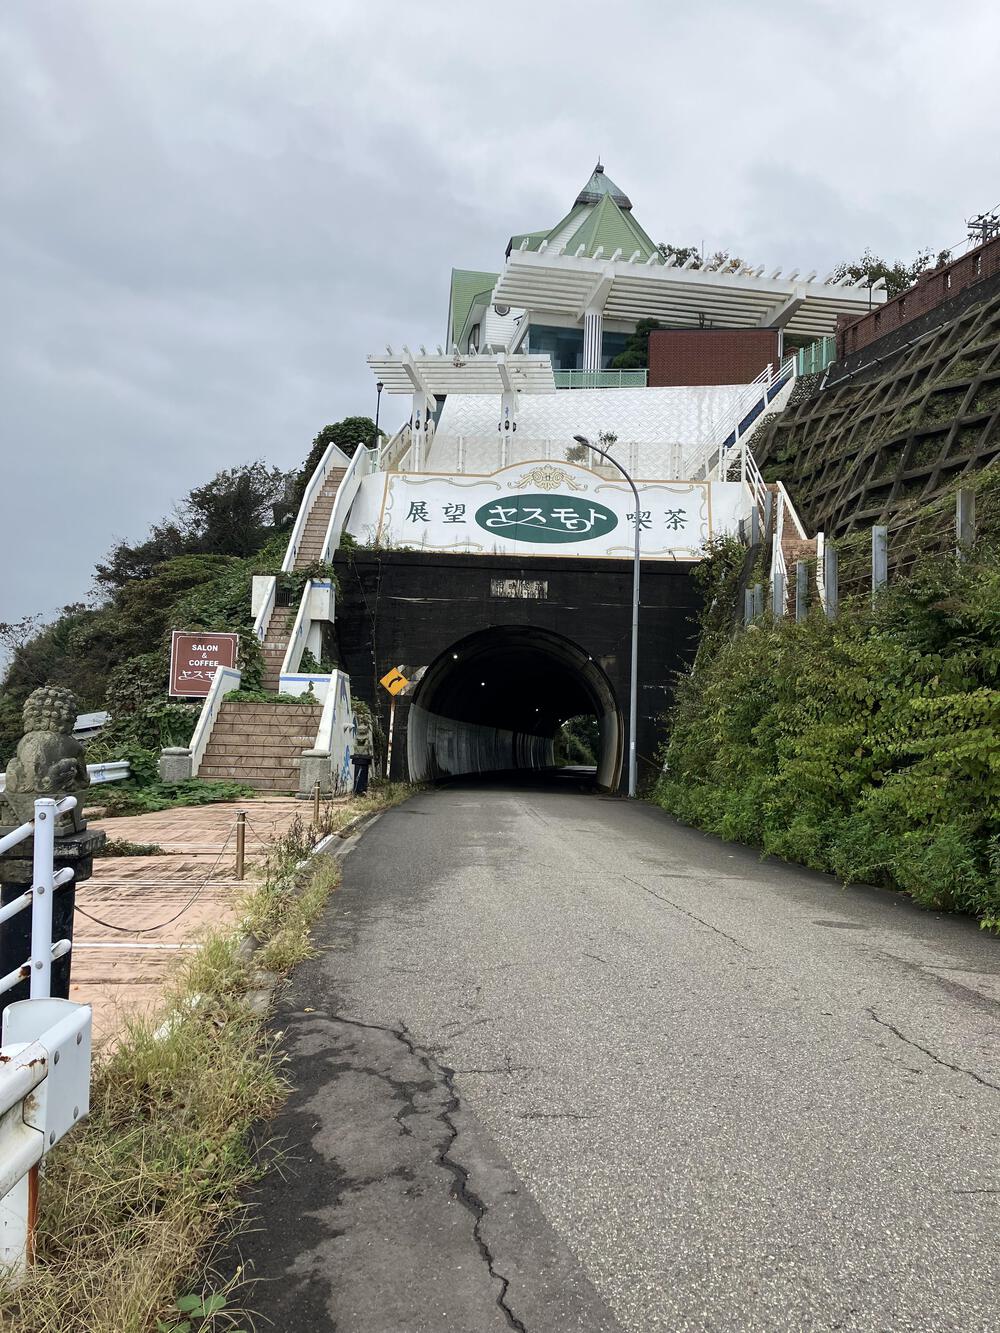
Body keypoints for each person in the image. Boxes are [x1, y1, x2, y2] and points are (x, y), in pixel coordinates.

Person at [351, 713, 373, 796]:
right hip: (361, 758)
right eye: (360, 729)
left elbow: (366, 745)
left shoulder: (366, 737)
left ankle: (360, 790)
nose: (361, 731)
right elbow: (356, 745)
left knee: (361, 773)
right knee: (361, 773)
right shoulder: (358, 736)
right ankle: (359, 790)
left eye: (363, 729)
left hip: (362, 758)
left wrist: (361, 750)